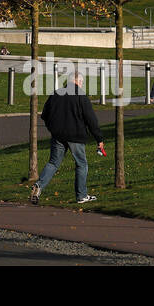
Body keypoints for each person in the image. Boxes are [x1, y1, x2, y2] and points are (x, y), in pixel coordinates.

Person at [30, 71, 105, 206]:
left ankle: (39, 186)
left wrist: (53, 128)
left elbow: (45, 115)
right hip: (76, 136)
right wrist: (99, 139)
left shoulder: (56, 94)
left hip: (58, 135)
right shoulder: (81, 96)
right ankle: (81, 195)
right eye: (82, 83)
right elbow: (91, 119)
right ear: (79, 82)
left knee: (53, 163)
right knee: (81, 164)